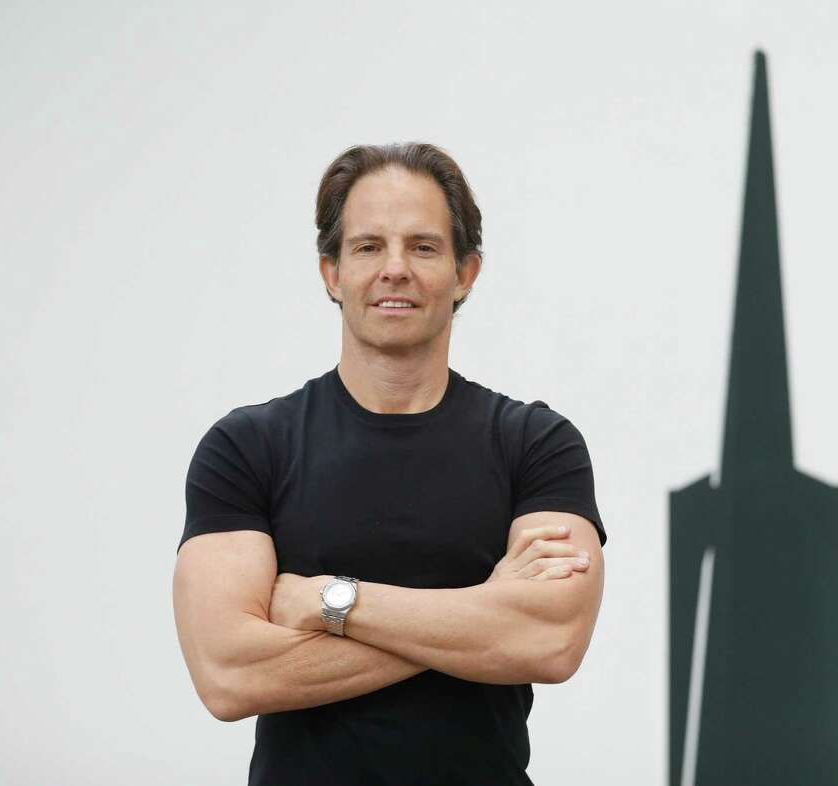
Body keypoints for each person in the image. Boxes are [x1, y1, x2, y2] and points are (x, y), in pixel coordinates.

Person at [172, 142, 606, 786]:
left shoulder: (536, 443)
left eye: (424, 247)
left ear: (466, 273)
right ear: (331, 272)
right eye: (368, 246)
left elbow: (549, 642)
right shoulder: (248, 446)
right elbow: (229, 676)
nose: (395, 269)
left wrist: (329, 601)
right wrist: (483, 613)